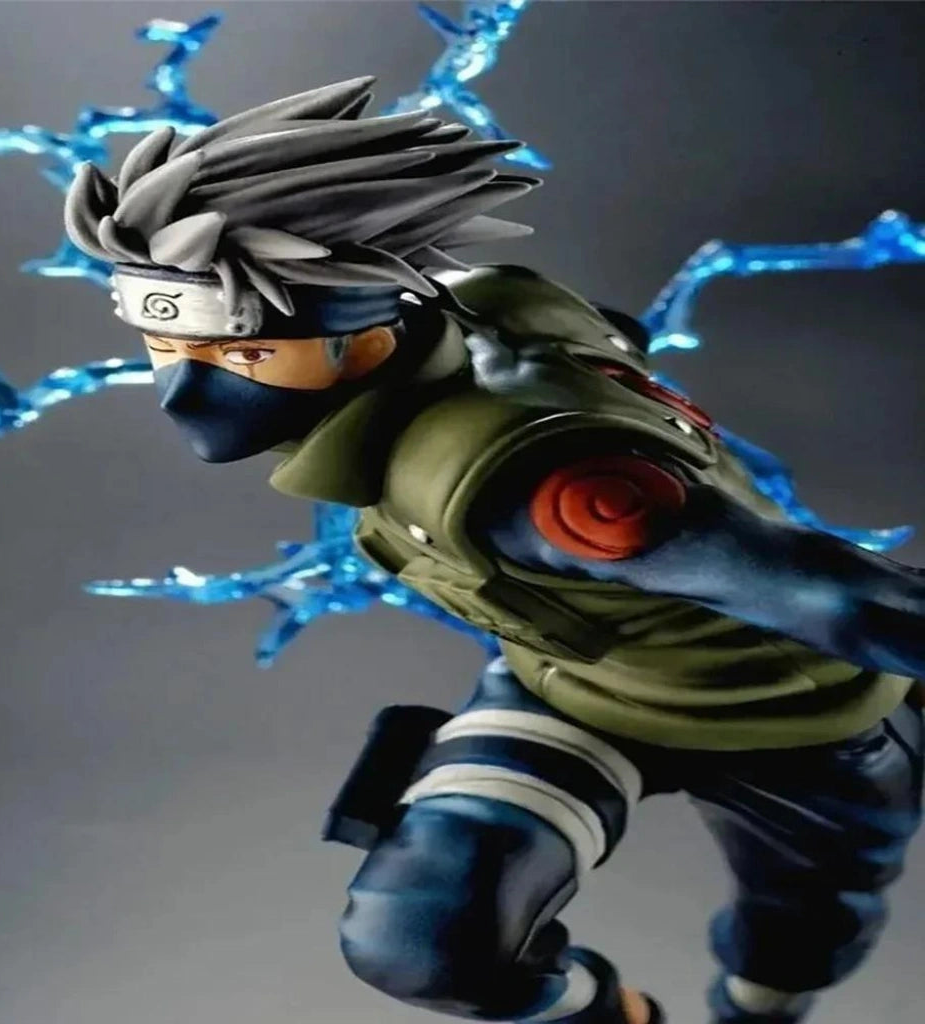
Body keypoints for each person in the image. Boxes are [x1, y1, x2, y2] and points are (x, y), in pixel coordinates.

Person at [64, 76, 925, 1024]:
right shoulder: (479, 306)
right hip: (575, 689)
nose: (185, 391)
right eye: (162, 345)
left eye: (245, 353)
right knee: (422, 934)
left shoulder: (532, 481)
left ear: (360, 333)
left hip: (796, 721)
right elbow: (612, 340)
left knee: (795, 955)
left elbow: (839, 599)